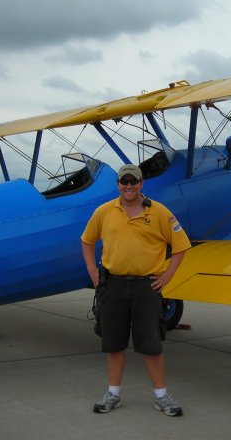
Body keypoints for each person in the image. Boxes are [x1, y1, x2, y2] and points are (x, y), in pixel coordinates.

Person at [81, 164, 191, 417]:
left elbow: (181, 245)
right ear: (118, 184)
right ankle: (113, 394)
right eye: (124, 181)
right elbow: (87, 241)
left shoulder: (160, 212)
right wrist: (92, 271)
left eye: (134, 181)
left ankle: (161, 397)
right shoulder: (104, 211)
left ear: (141, 184)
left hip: (146, 287)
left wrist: (167, 275)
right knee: (114, 343)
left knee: (151, 344)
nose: (128, 186)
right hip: (113, 286)